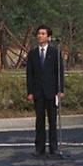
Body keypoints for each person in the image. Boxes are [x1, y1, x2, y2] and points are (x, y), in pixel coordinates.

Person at [26, 25, 65, 157]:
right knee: (40, 121)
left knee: (52, 121)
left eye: (43, 34)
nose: (40, 36)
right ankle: (39, 148)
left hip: (51, 92)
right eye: (38, 34)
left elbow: (59, 72)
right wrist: (30, 92)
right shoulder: (32, 54)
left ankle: (54, 147)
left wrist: (60, 90)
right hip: (38, 92)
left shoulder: (55, 52)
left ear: (48, 37)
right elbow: (29, 75)